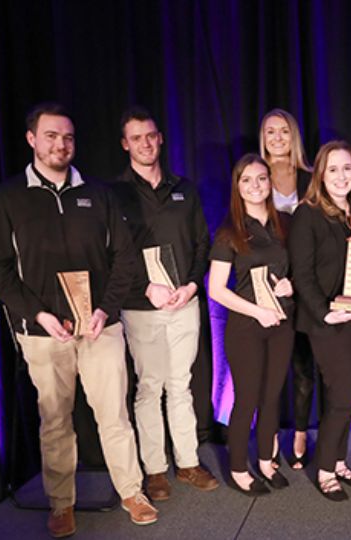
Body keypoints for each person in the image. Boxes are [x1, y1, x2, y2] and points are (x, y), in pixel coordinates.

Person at [0, 103, 158, 536]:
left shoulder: (98, 194)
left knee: (114, 416)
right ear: (32, 139)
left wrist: (105, 309)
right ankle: (61, 502)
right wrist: (40, 315)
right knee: (55, 420)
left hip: (100, 327)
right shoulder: (7, 198)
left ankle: (131, 491)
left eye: (67, 137)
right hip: (43, 333)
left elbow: (124, 258)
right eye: (50, 136)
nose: (60, 144)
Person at [111, 106, 218, 502]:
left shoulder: (183, 189)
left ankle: (188, 462)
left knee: (181, 384)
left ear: (160, 139)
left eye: (151, 135)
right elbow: (115, 255)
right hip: (141, 308)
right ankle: (155, 470)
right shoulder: (114, 195)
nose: (145, 143)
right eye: (136, 138)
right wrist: (146, 290)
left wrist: (191, 286)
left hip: (183, 303)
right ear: (126, 144)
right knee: (149, 387)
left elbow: (201, 244)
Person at [288, 140, 351, 501]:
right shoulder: (307, 214)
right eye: (333, 169)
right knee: (342, 397)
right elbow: (302, 276)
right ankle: (326, 469)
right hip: (326, 321)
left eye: (347, 169)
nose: (341, 176)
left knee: (348, 396)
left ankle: (339, 460)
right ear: (321, 175)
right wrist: (326, 311)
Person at [207, 154, 295, 495]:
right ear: (238, 187)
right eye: (247, 180)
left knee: (272, 397)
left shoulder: (285, 225)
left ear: (270, 183)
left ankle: (265, 462)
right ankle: (239, 468)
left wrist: (293, 285)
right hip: (246, 327)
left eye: (261, 178)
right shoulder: (229, 232)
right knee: (247, 398)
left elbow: (300, 269)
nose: (256, 185)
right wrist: (256, 311)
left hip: (282, 323)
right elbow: (215, 289)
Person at [259, 108, 315, 468]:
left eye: (284, 131)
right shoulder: (252, 177)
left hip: (306, 287)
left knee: (303, 367)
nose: (277, 138)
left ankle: (299, 431)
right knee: (270, 367)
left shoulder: (312, 179)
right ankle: (269, 435)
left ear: (293, 135)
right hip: (267, 288)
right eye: (270, 132)